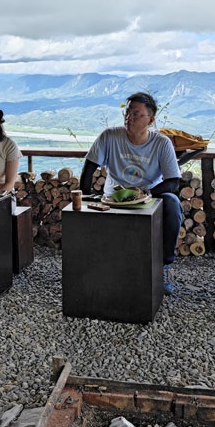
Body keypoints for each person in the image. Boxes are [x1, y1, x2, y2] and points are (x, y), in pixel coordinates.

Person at [79, 92, 183, 295]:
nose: (129, 118)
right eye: (127, 113)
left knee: (172, 202)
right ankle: (93, 272)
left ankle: (164, 266)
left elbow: (173, 182)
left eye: (136, 114)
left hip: (148, 196)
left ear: (150, 120)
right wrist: (85, 196)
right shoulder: (110, 136)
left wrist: (146, 192)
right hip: (113, 197)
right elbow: (89, 167)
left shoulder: (161, 143)